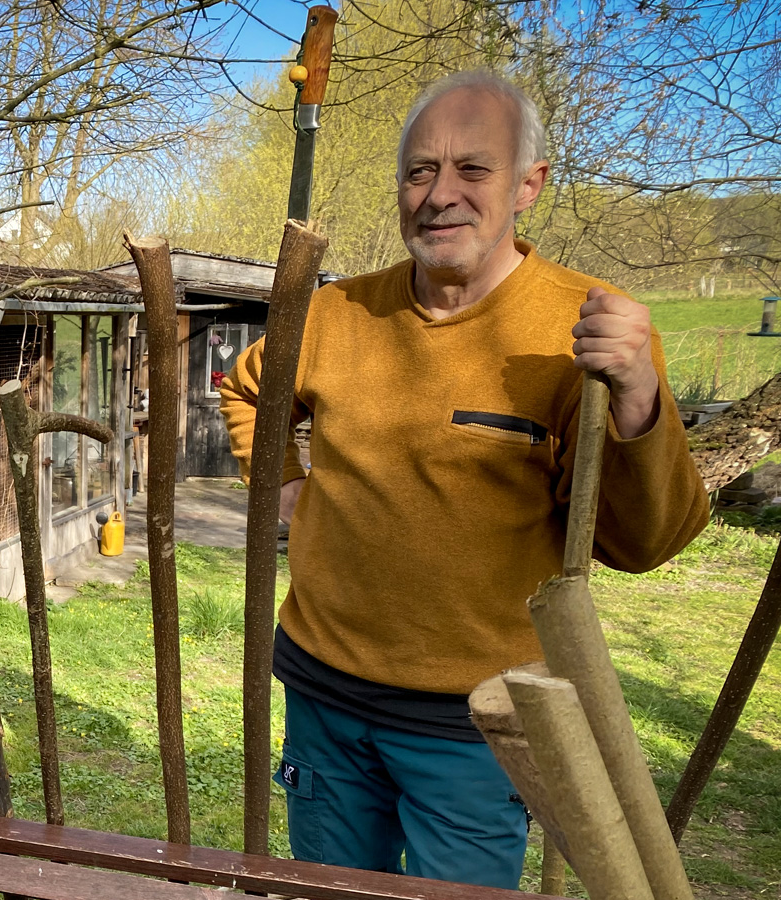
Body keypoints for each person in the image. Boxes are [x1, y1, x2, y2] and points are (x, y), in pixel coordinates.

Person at [219, 71, 707, 888]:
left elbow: (643, 541)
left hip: (477, 725)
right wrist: (279, 484)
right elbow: (246, 388)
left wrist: (638, 401)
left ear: (528, 186)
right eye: (419, 171)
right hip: (324, 694)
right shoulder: (337, 315)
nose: (439, 194)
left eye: (472, 170)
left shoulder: (586, 333)